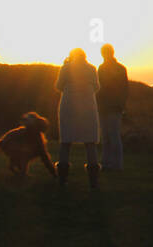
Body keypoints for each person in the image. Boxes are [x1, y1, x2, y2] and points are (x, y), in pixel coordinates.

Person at [55, 47, 101, 188]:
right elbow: (97, 87)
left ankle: (62, 179)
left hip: (68, 104)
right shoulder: (92, 69)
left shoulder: (65, 68)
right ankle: (93, 181)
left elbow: (58, 86)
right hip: (87, 105)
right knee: (90, 141)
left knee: (66, 141)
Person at [96, 44, 129, 171]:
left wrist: (121, 104)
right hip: (104, 106)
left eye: (106, 52)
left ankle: (116, 164)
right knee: (106, 136)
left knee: (113, 136)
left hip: (114, 106)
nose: (105, 55)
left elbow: (124, 89)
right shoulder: (102, 68)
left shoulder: (119, 68)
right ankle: (106, 163)